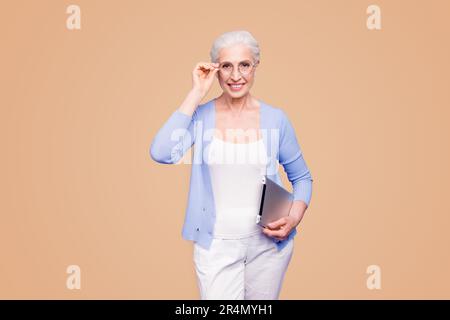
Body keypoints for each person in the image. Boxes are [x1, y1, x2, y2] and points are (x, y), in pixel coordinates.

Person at [150, 30, 313, 299]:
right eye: (227, 66)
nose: (236, 76)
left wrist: (293, 217)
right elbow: (162, 152)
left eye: (244, 65)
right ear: (216, 70)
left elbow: (303, 178)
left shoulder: (276, 119)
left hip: (268, 246)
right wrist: (196, 92)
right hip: (216, 245)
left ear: (255, 67)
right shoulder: (201, 117)